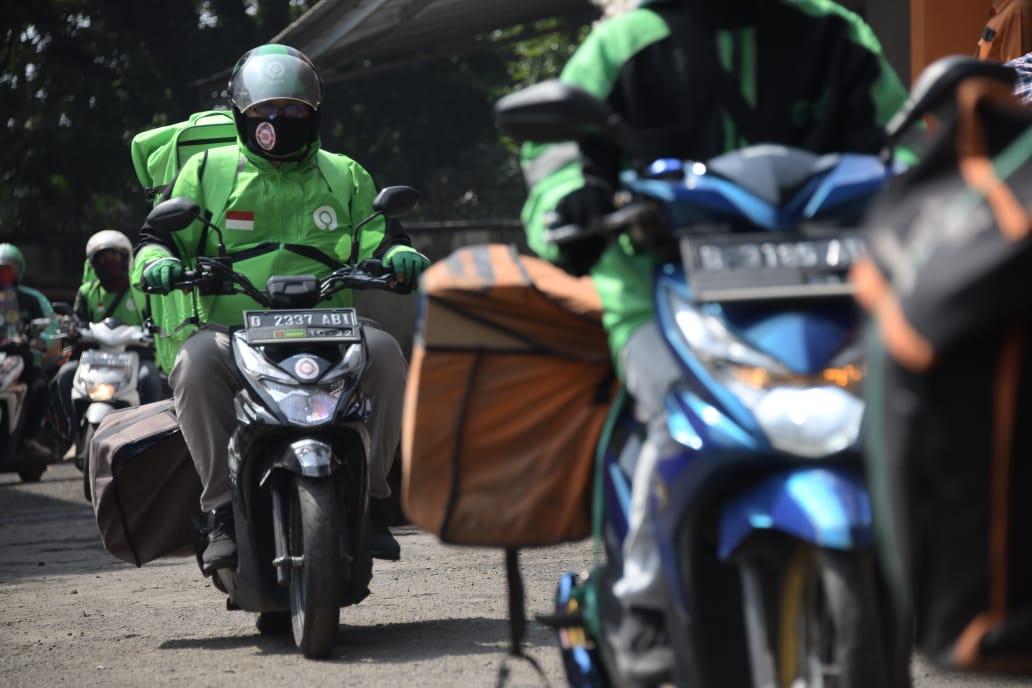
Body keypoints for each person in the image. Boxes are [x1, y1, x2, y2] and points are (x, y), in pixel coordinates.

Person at [518, 0, 910, 680]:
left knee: (909, 409)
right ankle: (642, 604)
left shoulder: (835, 34)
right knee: (672, 416)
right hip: (657, 292)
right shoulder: (624, 44)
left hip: (829, 291)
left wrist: (924, 183)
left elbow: (906, 140)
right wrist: (569, 198)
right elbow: (555, 157)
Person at [133, 44, 429, 572]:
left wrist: (400, 255)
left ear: (314, 114)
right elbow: (154, 238)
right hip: (232, 331)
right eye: (264, 112)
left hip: (329, 326)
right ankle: (222, 508)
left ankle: (371, 501)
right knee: (194, 365)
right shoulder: (207, 170)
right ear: (241, 115)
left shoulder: (345, 174)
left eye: (294, 111)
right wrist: (157, 262)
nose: (279, 121)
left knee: (385, 354)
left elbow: (384, 237)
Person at [53, 230, 162, 445]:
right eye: (102, 258)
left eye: (114, 257)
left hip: (135, 356)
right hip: (94, 359)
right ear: (93, 264)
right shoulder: (87, 292)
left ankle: (151, 436)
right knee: (65, 375)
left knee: (149, 378)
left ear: (125, 259)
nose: (108, 263)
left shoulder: (139, 291)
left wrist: (154, 329)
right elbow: (78, 320)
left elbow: (154, 318)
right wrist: (73, 328)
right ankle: (73, 430)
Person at [0, 243, 57, 462]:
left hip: (24, 358)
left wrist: (41, 340)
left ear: (18, 269)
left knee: (40, 388)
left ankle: (29, 439)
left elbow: (50, 325)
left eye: (8, 267)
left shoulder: (32, 298)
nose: (4, 273)